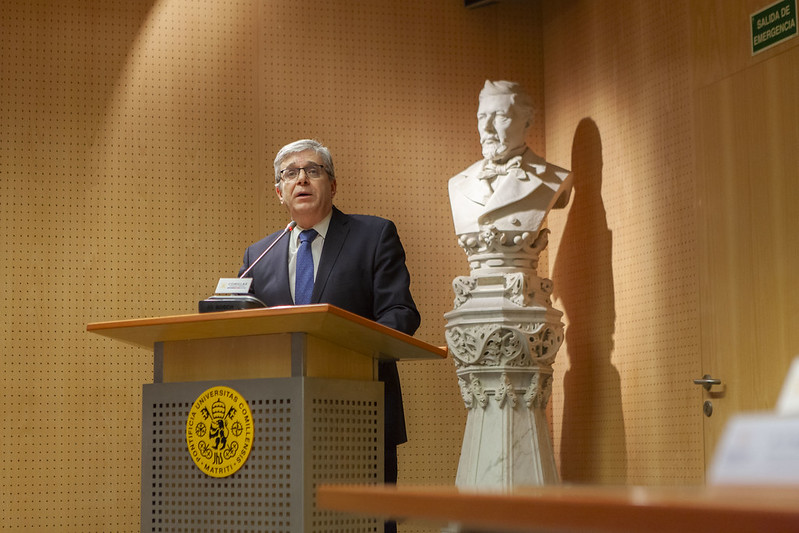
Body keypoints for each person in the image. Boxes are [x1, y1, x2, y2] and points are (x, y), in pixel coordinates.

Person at [239, 139, 419, 531]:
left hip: (359, 418)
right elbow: (245, 333)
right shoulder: (259, 254)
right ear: (279, 192)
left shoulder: (373, 235)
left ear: (332, 185)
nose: (301, 178)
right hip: (278, 426)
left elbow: (401, 314)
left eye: (313, 170)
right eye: (290, 173)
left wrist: (350, 347)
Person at [448, 80, 572, 239]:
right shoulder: (459, 183)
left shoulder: (553, 179)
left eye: (500, 116)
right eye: (482, 117)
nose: (487, 127)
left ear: (527, 122)